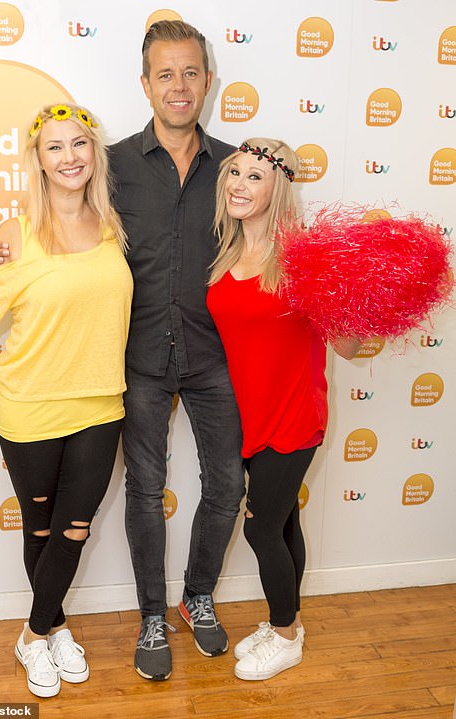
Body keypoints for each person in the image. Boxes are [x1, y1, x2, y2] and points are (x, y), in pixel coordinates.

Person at [0, 21, 245, 683]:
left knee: (229, 486)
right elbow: (52, 220)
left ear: (207, 82)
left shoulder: (236, 166)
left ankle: (198, 595)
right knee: (143, 493)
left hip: (213, 358)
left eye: (190, 73)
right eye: (165, 74)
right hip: (135, 363)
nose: (178, 86)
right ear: (146, 84)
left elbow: (266, 245)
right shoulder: (112, 162)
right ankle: (150, 614)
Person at [0, 103, 133, 698]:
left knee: (75, 530)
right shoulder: (16, 234)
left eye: (79, 144)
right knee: (41, 531)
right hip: (30, 406)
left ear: (94, 153)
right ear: (39, 161)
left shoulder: (114, 223)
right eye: (55, 148)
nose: (69, 157)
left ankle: (34, 633)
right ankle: (54, 628)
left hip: (101, 405)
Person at [206, 138, 361, 681]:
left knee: (260, 529)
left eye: (254, 177)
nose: (239, 186)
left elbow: (348, 346)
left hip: (294, 413)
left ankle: (288, 635)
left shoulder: (301, 257)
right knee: (284, 521)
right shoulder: (227, 253)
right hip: (249, 415)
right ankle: (286, 622)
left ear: (279, 189)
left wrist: (356, 299)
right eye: (235, 175)